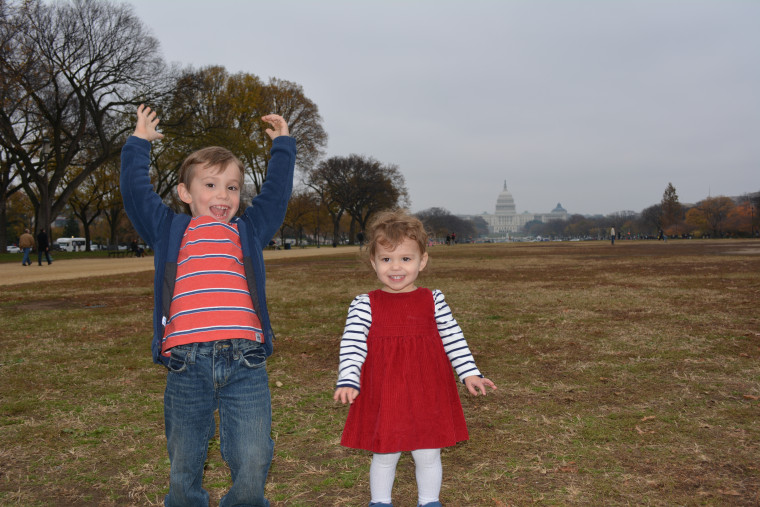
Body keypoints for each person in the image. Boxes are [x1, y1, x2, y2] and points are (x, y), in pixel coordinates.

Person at [121, 105, 296, 507]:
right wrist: (139, 144)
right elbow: (135, 193)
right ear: (185, 193)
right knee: (185, 459)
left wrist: (283, 147)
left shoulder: (247, 230)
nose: (223, 195)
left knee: (253, 456)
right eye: (211, 185)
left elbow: (276, 195)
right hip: (186, 360)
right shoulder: (169, 229)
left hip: (245, 360)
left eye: (232, 187)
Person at [333, 209, 496, 507]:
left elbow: (453, 339)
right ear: (373, 262)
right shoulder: (364, 303)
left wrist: (469, 373)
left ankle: (429, 501)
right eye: (386, 259)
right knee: (384, 453)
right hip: (385, 390)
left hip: (427, 388)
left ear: (422, 261)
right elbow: (352, 343)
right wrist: (348, 377)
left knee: (428, 452)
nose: (396, 267)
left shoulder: (434, 300)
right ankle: (380, 502)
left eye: (405, 259)